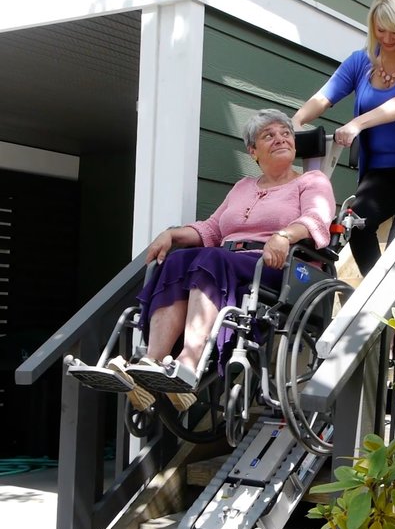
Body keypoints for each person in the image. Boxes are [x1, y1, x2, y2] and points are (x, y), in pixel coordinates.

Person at [77, 108, 336, 412]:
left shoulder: (311, 181)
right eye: (269, 135)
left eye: (286, 133)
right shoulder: (243, 187)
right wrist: (172, 234)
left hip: (276, 266)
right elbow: (212, 229)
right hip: (224, 261)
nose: (281, 139)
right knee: (176, 261)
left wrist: (285, 235)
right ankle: (151, 363)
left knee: (209, 259)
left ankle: (189, 361)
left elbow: (316, 218)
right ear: (253, 151)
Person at [292, 0, 395, 276]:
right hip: (380, 171)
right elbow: (324, 97)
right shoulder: (359, 62)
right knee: (355, 224)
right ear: (372, 26)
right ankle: (377, 295)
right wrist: (296, 122)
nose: (388, 38)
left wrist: (357, 124)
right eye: (381, 30)